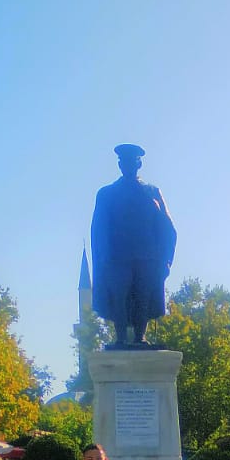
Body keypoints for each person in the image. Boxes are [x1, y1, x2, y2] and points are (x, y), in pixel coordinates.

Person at [89, 143, 178, 348]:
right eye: (124, 162)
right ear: (120, 165)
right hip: (117, 257)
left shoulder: (152, 192)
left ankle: (140, 338)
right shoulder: (107, 194)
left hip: (148, 257)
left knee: (143, 296)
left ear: (139, 163)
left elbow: (167, 228)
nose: (128, 165)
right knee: (119, 296)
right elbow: (99, 230)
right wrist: (103, 257)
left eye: (132, 161)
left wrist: (166, 260)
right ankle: (120, 338)